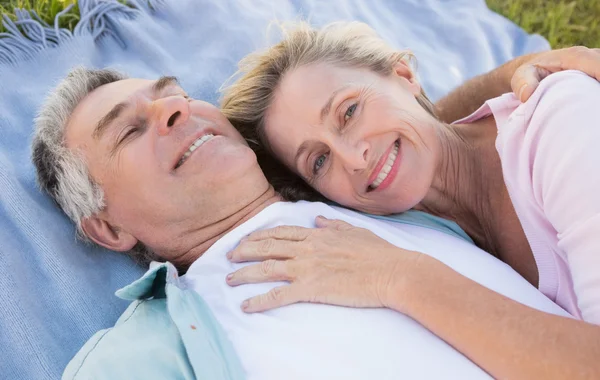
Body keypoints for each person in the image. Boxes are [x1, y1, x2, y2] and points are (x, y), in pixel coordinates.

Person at [32, 64, 598, 379]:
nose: (175, 110)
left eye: (174, 95)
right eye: (129, 131)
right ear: (106, 228)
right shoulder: (140, 358)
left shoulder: (373, 196)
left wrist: (519, 74)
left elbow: (399, 126)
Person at [220, 21, 600, 323]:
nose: (354, 159)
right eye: (319, 161)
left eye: (349, 111)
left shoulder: (562, 123)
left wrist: (399, 277)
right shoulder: (419, 225)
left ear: (403, 74)